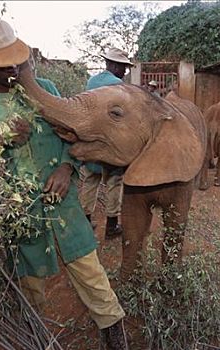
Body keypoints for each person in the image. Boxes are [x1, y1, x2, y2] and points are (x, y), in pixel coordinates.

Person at [0, 15, 127, 349]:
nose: (11, 70)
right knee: (30, 288)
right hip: (20, 217)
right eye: (0, 64)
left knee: (91, 272)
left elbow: (71, 139)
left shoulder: (44, 91)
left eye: (14, 60)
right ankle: (35, 338)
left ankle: (114, 335)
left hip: (64, 205)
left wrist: (65, 168)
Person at [80, 47, 133, 239]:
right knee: (114, 181)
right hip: (111, 143)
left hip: (91, 140)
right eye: (123, 67)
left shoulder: (91, 81)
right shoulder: (119, 85)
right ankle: (111, 226)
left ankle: (85, 224)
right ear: (114, 65)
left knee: (90, 180)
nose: (125, 71)